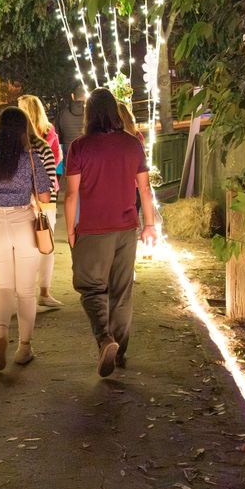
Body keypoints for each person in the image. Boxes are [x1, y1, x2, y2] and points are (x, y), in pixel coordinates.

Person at [64, 88, 156, 377]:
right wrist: (150, 224)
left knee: (91, 288)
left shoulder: (80, 147)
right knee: (121, 291)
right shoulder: (132, 144)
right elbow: (145, 189)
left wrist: (70, 232)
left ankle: (105, 339)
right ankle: (120, 350)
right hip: (126, 228)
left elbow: (71, 195)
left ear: (89, 114)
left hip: (92, 229)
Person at [0, 108, 51, 371]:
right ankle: (24, 347)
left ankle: (0, 333)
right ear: (22, 130)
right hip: (23, 221)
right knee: (26, 290)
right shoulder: (31, 159)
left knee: (4, 286)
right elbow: (44, 197)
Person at [18, 95, 62, 310]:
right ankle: (44, 292)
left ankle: (25, 296)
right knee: (46, 245)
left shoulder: (17, 139)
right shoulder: (48, 134)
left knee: (24, 248)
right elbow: (55, 162)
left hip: (21, 200)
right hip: (47, 197)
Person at [57, 83, 86, 158]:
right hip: (88, 155)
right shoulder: (92, 113)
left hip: (69, 155)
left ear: (73, 96)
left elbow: (57, 136)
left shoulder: (62, 114)